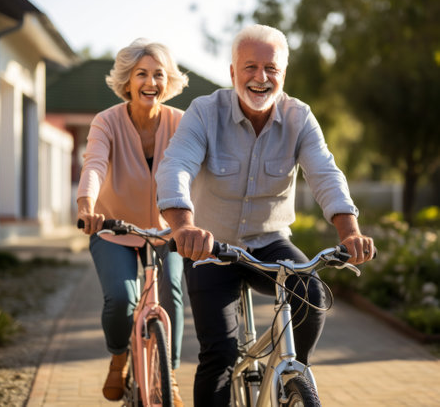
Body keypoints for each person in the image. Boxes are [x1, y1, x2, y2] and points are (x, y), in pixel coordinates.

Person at [155, 24, 375, 406]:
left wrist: (349, 231)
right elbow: (175, 167)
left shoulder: (298, 117)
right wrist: (184, 227)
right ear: (233, 73)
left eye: (271, 68)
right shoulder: (205, 113)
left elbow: (324, 173)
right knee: (219, 354)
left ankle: (292, 374)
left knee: (312, 295)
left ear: (283, 75)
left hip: (270, 243)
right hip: (209, 248)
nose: (260, 78)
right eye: (250, 67)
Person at [77, 38, 188, 405]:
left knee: (171, 297)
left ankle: (168, 375)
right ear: (127, 81)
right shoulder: (106, 121)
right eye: (142, 74)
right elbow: (93, 164)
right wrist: (86, 206)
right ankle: (118, 357)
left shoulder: (181, 123)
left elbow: (203, 170)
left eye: (159, 74)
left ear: (168, 82)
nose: (150, 82)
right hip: (112, 229)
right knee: (121, 299)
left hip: (165, 231)